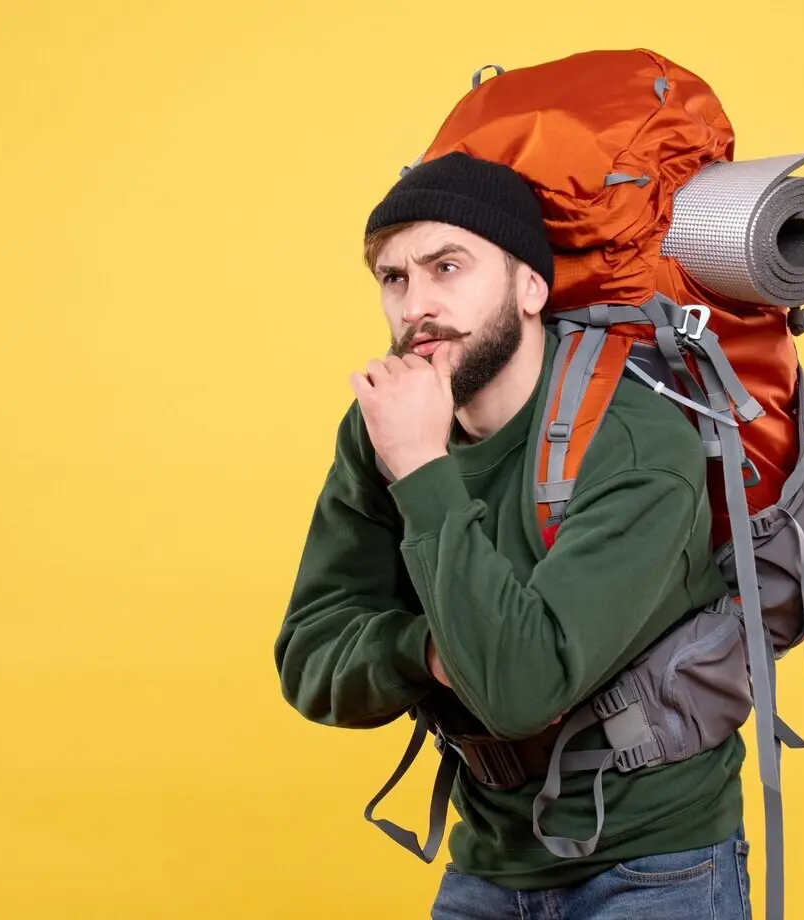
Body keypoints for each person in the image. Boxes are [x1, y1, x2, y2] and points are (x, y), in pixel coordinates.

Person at [273, 151, 752, 919]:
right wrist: (430, 652)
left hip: (656, 865)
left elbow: (520, 689)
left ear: (531, 286)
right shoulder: (384, 430)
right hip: (491, 858)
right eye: (394, 279)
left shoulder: (632, 443)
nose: (415, 307)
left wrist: (422, 465)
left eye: (448, 267)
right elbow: (309, 656)